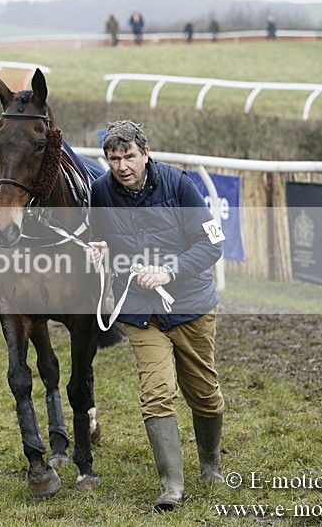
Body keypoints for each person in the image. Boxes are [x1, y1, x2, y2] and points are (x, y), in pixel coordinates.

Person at [86, 120, 225, 512]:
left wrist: (170, 270)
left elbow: (213, 244)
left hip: (190, 307)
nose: (122, 166)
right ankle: (171, 486)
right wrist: (99, 251)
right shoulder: (101, 191)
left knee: (204, 394)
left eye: (129, 156)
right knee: (156, 393)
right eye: (114, 158)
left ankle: (210, 463)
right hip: (139, 311)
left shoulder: (179, 184)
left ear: (145, 153)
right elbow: (104, 240)